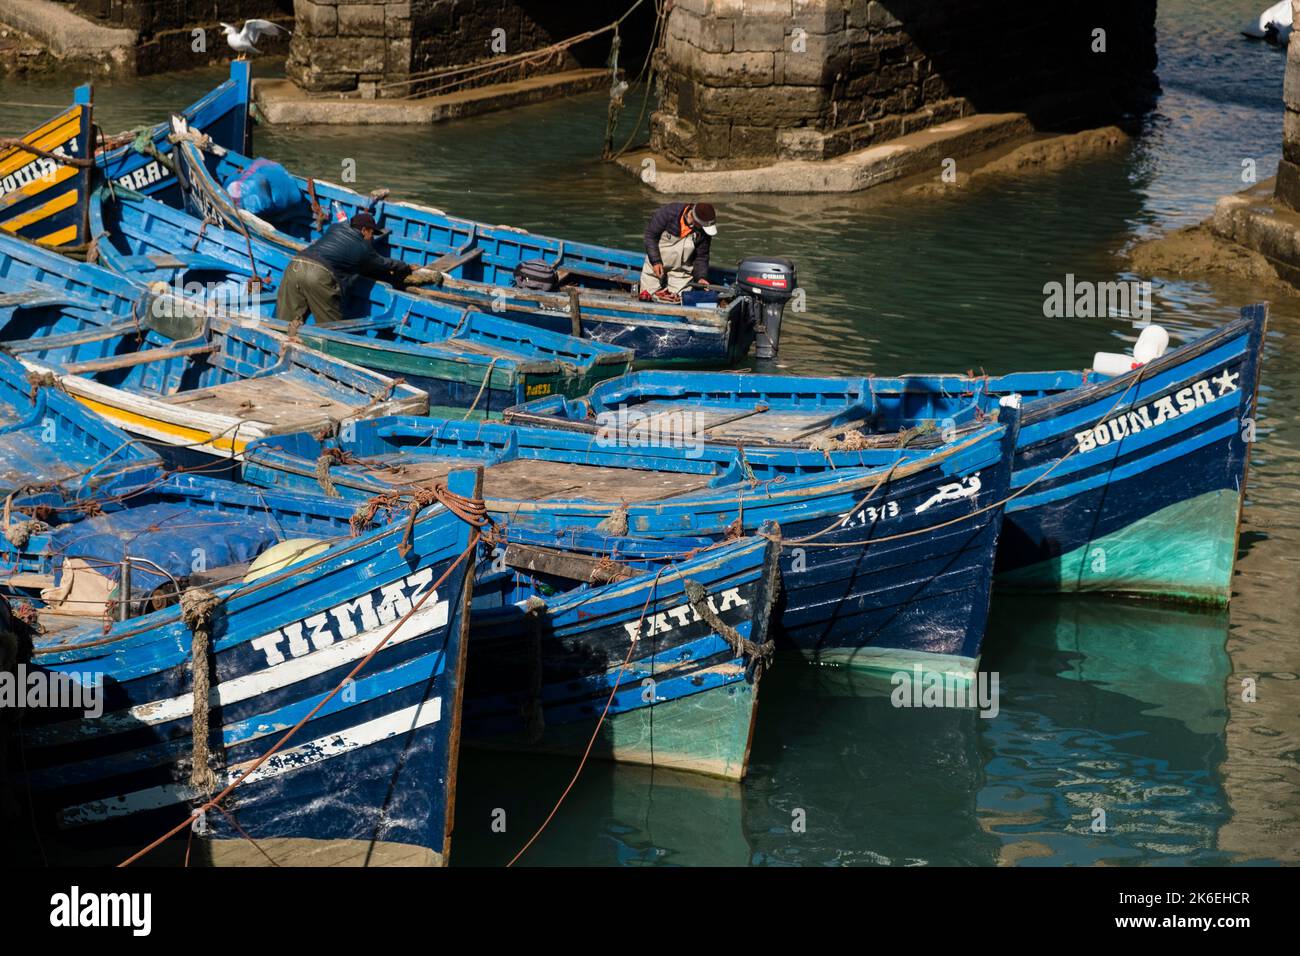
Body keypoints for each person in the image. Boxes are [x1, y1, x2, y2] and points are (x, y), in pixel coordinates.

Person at [276, 211, 412, 332]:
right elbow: (383, 263)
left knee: (284, 322)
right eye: (371, 233)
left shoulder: (335, 227)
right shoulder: (364, 248)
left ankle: (278, 346)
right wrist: (406, 267)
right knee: (331, 329)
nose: (372, 238)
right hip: (319, 274)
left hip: (296, 264)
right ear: (364, 230)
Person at [639, 201, 718, 304]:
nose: (704, 229)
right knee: (647, 297)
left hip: (680, 272)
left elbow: (701, 256)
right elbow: (650, 236)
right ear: (694, 219)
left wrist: (701, 277)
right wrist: (655, 261)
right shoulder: (668, 212)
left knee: (679, 301)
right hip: (655, 267)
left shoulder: (704, 232)